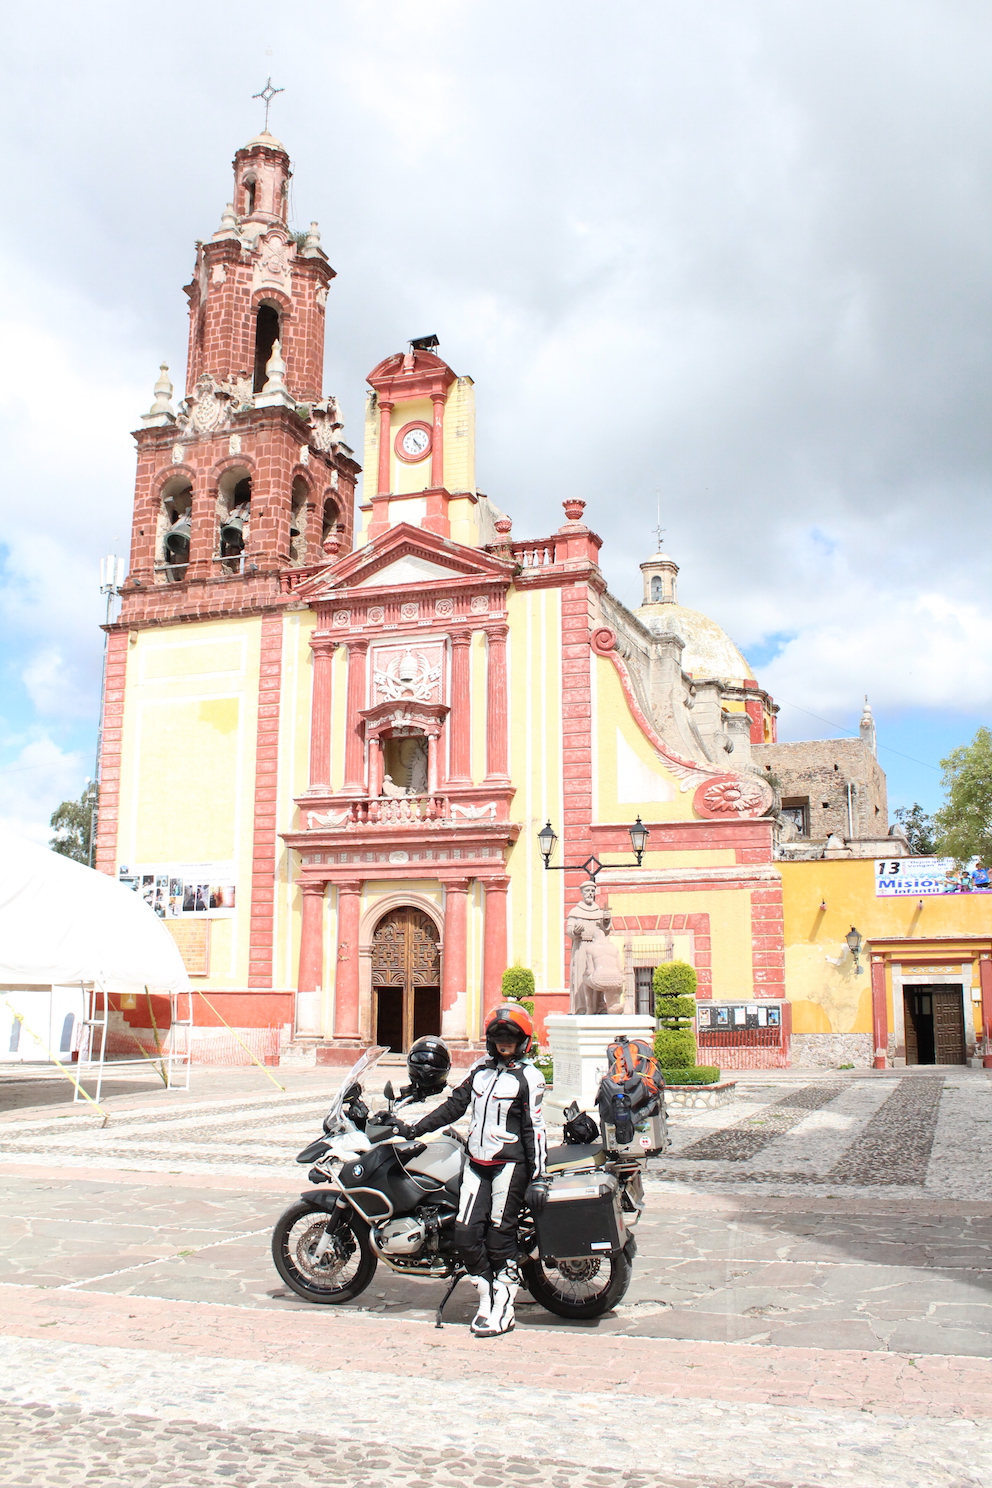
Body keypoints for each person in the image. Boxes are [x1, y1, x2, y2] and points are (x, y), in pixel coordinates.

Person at [389, 1002, 548, 1338]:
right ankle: (486, 1293)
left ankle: (503, 1307)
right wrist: (414, 1128)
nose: (504, 1044)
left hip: (510, 1164)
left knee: (499, 1236)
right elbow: (454, 1106)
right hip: (477, 1163)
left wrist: (539, 1176)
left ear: (523, 1041)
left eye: (510, 1038)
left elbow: (535, 1129)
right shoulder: (479, 1071)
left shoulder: (530, 1077)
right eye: (498, 1038)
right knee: (465, 1233)